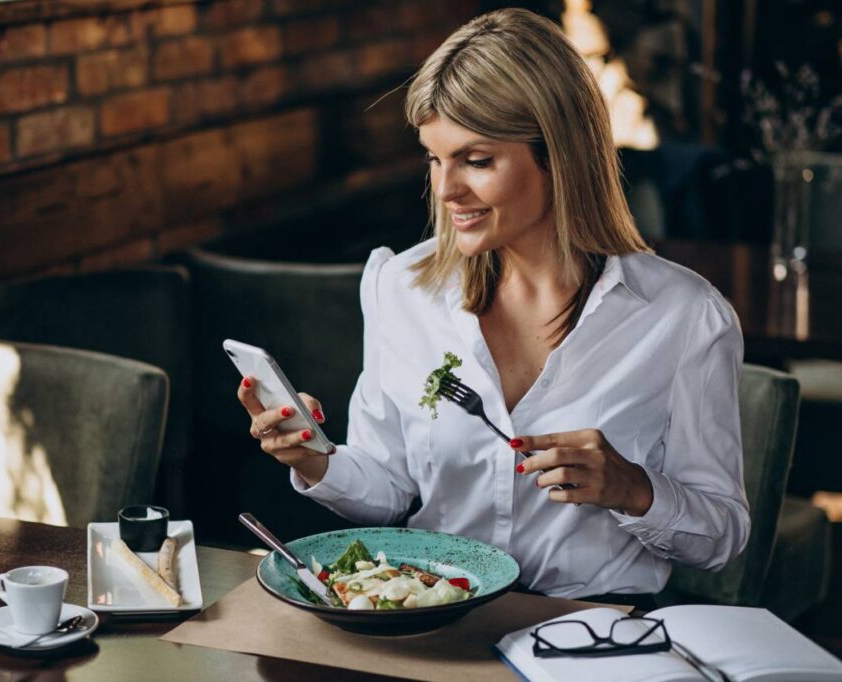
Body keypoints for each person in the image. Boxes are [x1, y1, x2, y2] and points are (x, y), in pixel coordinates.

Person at [236, 8, 748, 605]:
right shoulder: (401, 287)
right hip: (431, 622)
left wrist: (634, 489)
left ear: (558, 156)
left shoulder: (684, 317)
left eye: (476, 160)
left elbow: (722, 536)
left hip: (590, 630)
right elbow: (388, 489)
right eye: (434, 158)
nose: (446, 189)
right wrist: (315, 459)